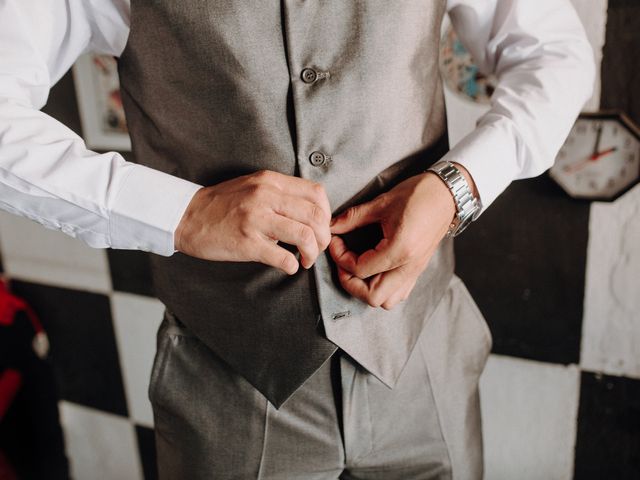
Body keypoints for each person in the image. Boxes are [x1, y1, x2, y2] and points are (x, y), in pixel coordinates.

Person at [0, 0, 594, 478]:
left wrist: (456, 188)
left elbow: (554, 54)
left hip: (424, 359)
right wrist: (185, 213)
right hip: (230, 374)